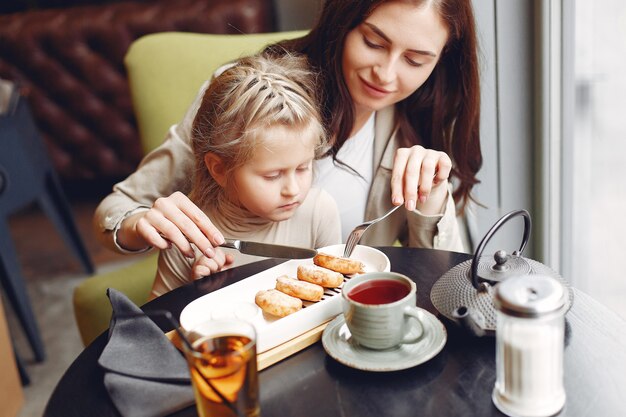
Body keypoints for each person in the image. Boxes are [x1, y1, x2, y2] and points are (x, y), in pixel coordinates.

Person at [94, 0, 482, 267]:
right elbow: (117, 210)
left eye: (416, 60)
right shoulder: (249, 101)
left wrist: (432, 197)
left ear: (442, 58)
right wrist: (138, 225)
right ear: (342, 23)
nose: (386, 74)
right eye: (373, 43)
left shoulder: (420, 128)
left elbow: (444, 277)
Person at [150, 53, 341, 298]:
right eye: (272, 175)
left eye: (303, 168)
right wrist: (196, 293)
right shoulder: (188, 231)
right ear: (219, 169)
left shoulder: (318, 212)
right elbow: (156, 327)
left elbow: (335, 295)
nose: (293, 189)